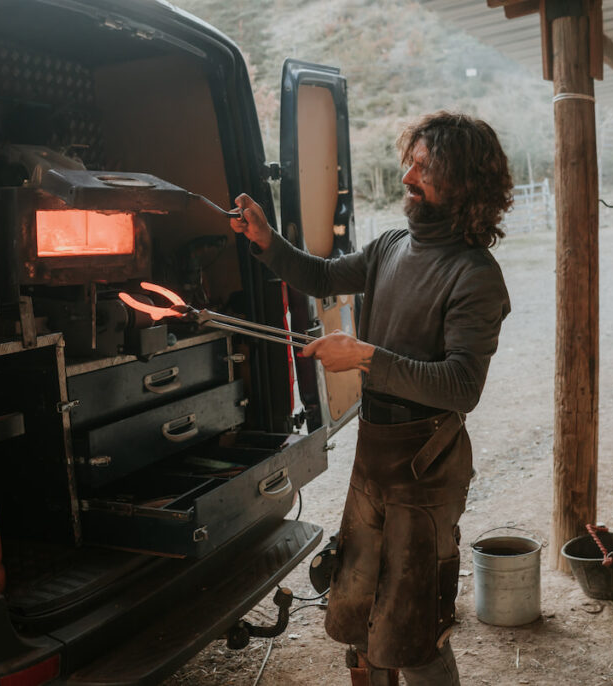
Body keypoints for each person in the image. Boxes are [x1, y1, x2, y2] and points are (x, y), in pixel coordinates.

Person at [230, 111, 512, 686]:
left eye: (424, 168)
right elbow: (324, 275)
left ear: (461, 185)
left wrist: (363, 356)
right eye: (410, 161)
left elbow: (463, 386)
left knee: (413, 631)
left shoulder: (476, 276)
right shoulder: (390, 246)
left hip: (427, 471)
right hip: (374, 459)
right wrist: (267, 241)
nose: (407, 175)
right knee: (357, 612)